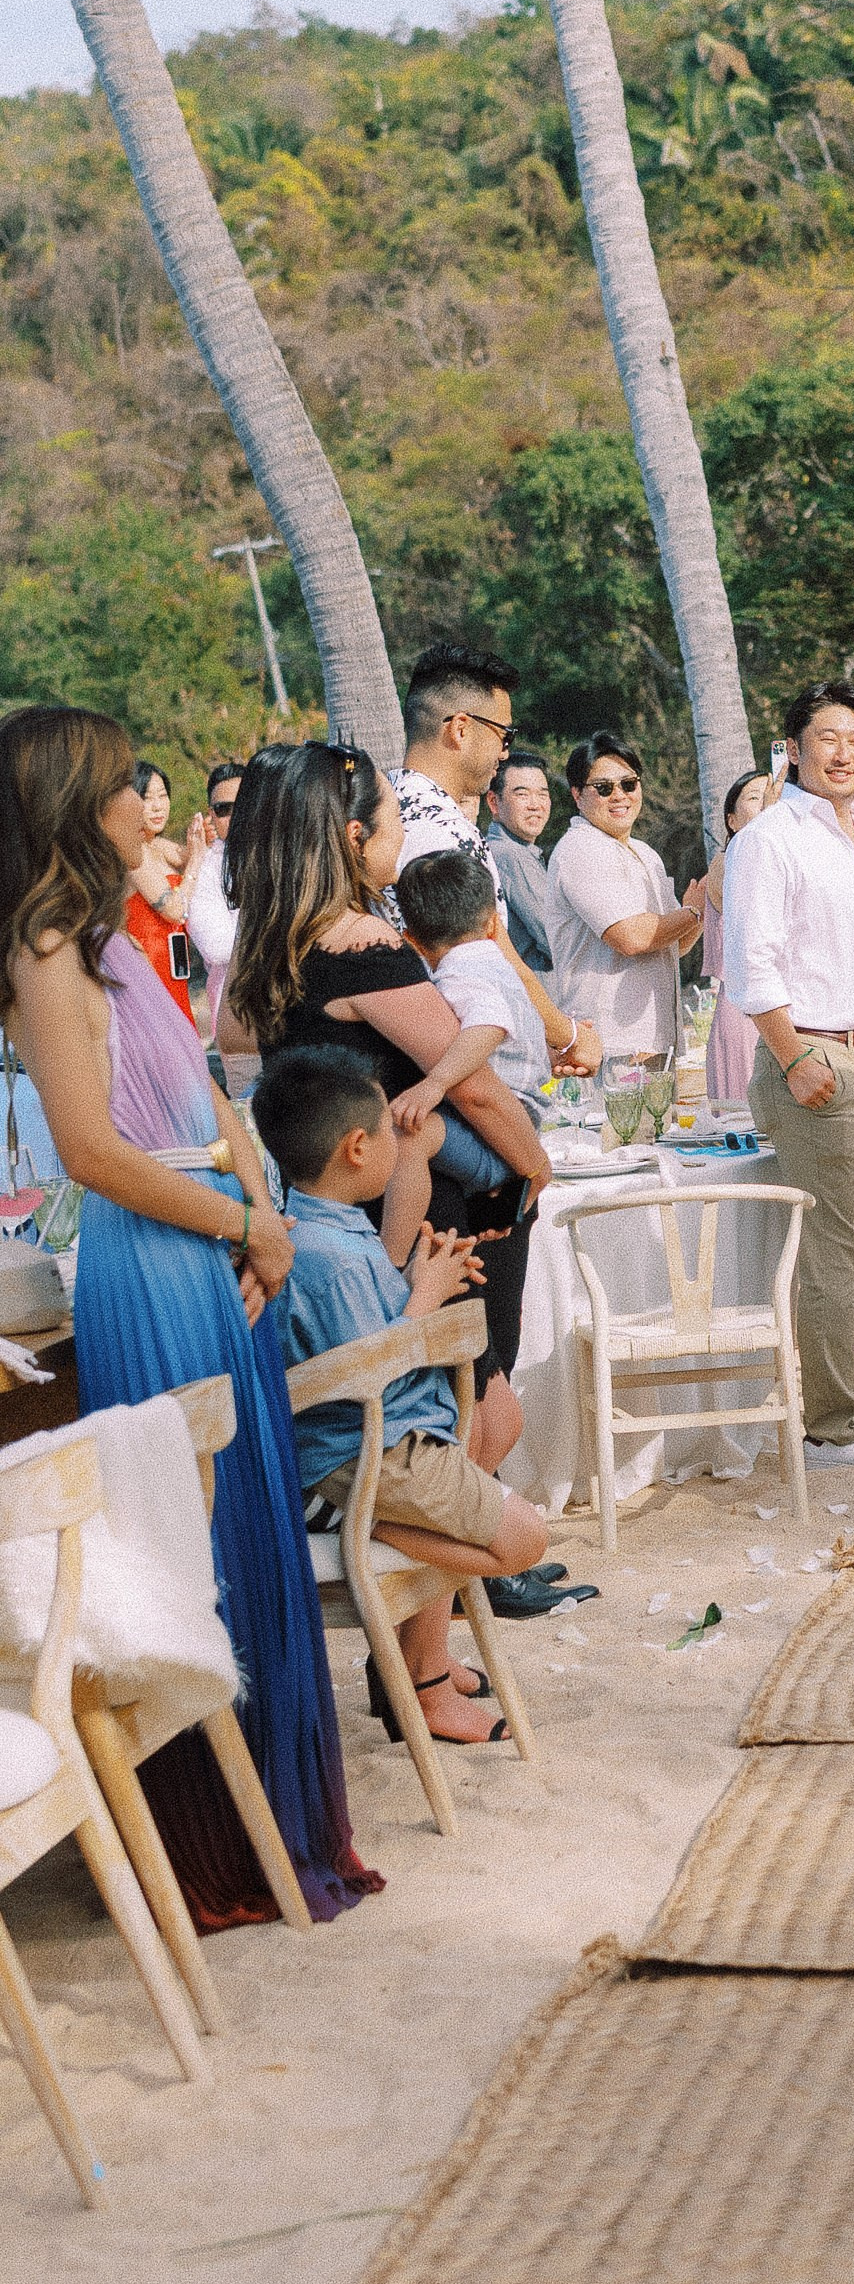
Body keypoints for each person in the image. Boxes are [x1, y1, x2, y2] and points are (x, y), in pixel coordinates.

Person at [0, 705, 379, 1930]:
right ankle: (215, 1842)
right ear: (75, 805)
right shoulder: (45, 954)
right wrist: (238, 1223)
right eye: (124, 785)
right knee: (197, 1543)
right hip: (156, 1260)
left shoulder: (109, 939)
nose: (146, 805)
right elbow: (90, 1152)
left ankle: (279, 1822)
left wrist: (263, 1212)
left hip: (217, 1244)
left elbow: (215, 1096)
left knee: (250, 1519)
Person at [221, 742, 549, 1460]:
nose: (403, 832)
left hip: (331, 1199)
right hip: (416, 1203)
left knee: (413, 1408)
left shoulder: (269, 946)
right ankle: (468, 1535)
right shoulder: (364, 945)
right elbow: (472, 1087)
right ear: (354, 835)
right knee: (471, 1415)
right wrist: (533, 1166)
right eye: (395, 816)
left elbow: (232, 1037)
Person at [254, 1045, 549, 1746]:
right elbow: (373, 1370)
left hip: (399, 1443)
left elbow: (370, 1335)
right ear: (358, 1148)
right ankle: (366, 1530)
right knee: (527, 1540)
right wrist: (425, 1296)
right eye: (391, 1131)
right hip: (380, 1453)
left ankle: (392, 1582)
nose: (402, 1141)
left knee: (503, 1489)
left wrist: (423, 1276)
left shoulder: (331, 1234)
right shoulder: (328, 1257)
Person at [724, 681, 854, 1467]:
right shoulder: (770, 839)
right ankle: (834, 1427)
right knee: (837, 1251)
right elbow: (751, 962)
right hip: (818, 1059)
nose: (844, 752)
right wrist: (795, 1058)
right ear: (793, 748)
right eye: (827, 737)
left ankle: (853, 1408)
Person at [392, 645, 599, 1083]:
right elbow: (490, 951)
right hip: (462, 1076)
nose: (505, 753)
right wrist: (567, 1035)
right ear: (460, 729)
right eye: (504, 735)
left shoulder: (392, 807)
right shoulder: (438, 832)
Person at [546, 732, 703, 1062]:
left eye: (629, 784)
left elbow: (675, 946)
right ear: (577, 794)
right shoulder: (581, 849)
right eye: (603, 788)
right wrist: (693, 912)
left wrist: (699, 912)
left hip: (656, 1041)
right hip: (609, 1045)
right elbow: (631, 938)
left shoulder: (645, 853)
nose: (619, 795)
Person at [395, 849, 551, 1129]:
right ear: (492, 923)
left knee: (409, 1134)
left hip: (504, 1111)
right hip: (529, 1104)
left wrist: (434, 1083)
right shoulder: (499, 965)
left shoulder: (458, 972)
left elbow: (490, 1022)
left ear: (412, 941)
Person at [685, 770, 774, 1106]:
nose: (767, 801)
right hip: (744, 1014)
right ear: (732, 821)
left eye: (772, 793)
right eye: (754, 797)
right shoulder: (724, 862)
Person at [125, 759, 199, 1025]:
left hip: (174, 972)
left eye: (162, 795)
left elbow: (191, 855)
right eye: (147, 798)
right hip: (146, 975)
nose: (157, 806)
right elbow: (174, 911)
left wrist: (204, 837)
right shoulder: (131, 851)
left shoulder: (159, 846)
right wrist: (196, 860)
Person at [483, 748, 555, 979]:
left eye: (542, 794)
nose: (535, 805)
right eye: (522, 794)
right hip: (538, 991)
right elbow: (556, 939)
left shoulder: (500, 849)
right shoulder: (512, 856)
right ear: (494, 802)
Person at [185, 759, 245, 994]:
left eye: (242, 804)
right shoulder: (205, 868)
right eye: (223, 810)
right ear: (211, 814)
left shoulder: (284, 854)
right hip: (232, 1000)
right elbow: (216, 948)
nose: (234, 816)